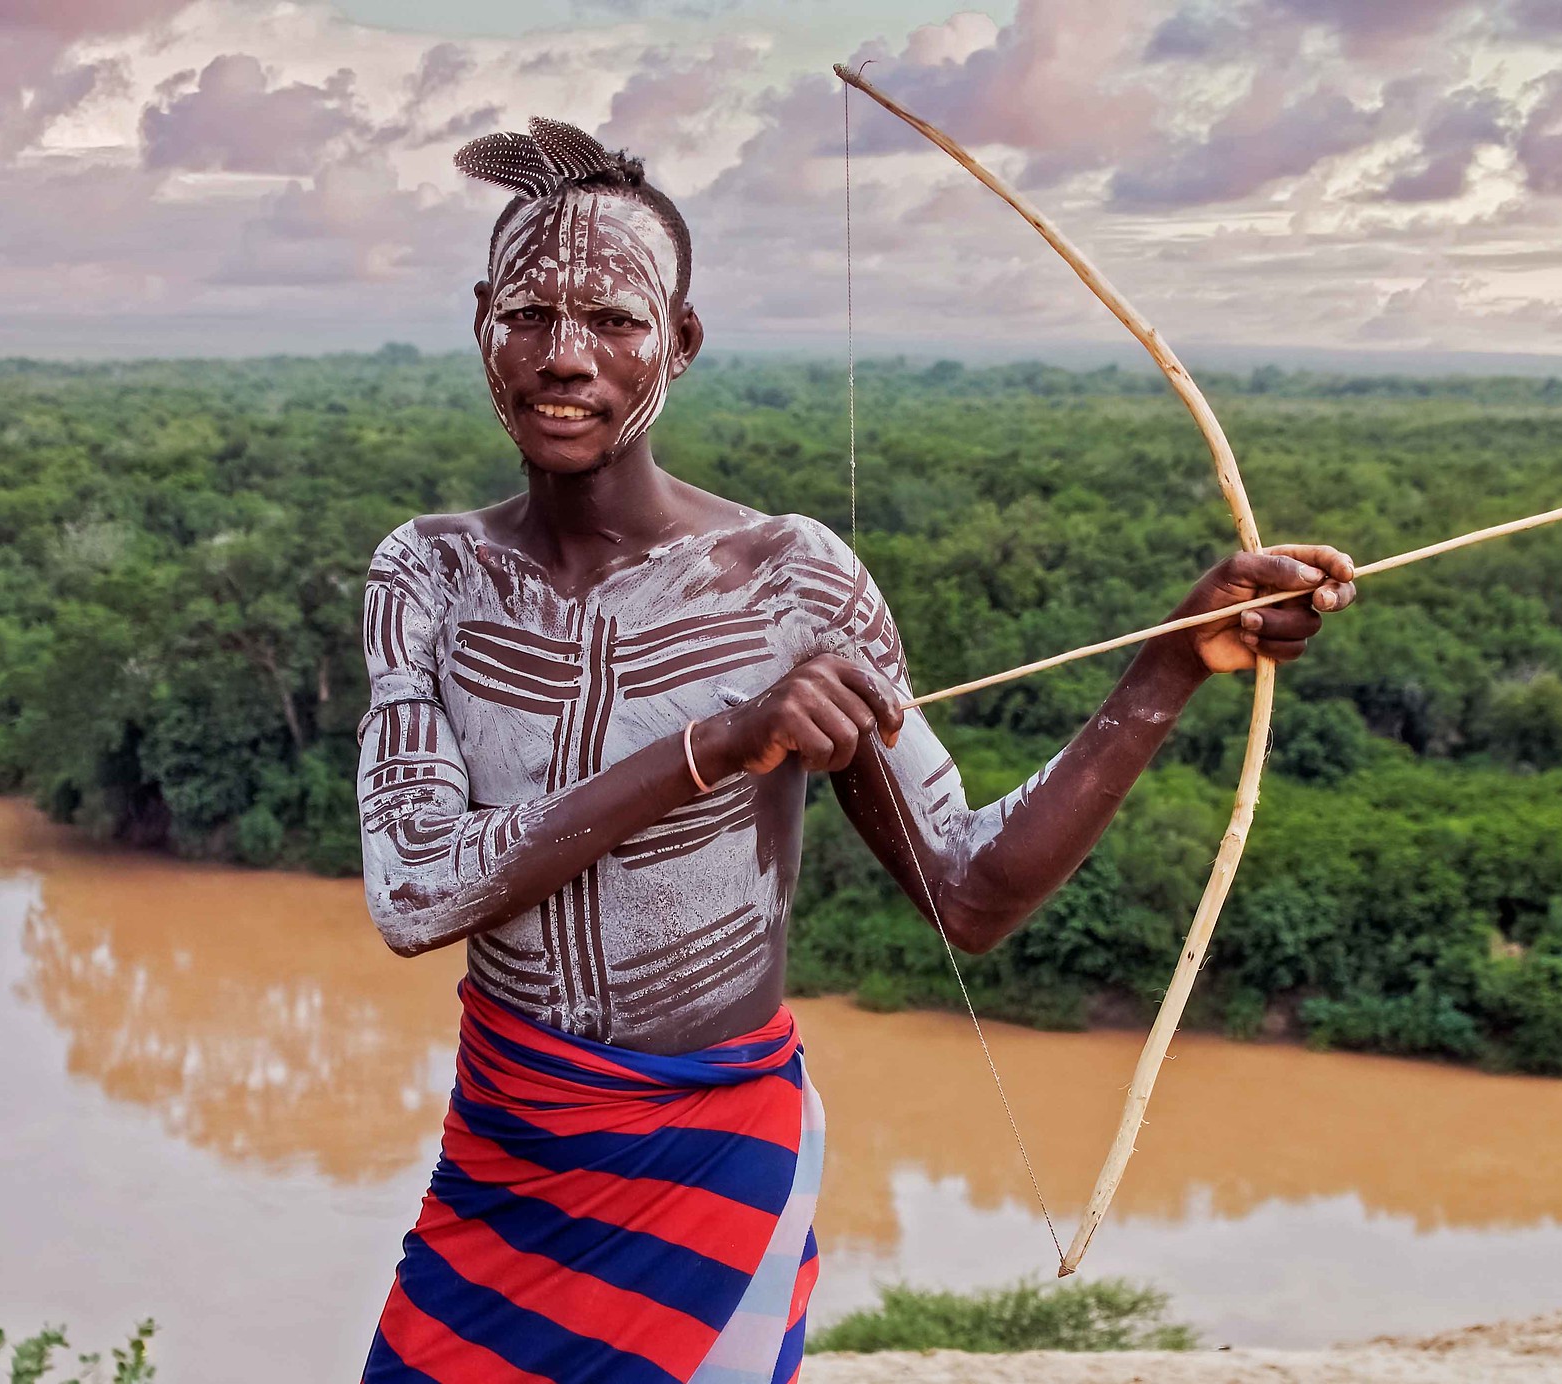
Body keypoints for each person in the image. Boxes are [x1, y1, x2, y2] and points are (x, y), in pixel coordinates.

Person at [356, 116, 1356, 1384]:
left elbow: (969, 892)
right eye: (528, 315)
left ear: (680, 341)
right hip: (505, 1156)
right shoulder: (429, 572)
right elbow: (414, 891)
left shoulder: (791, 581)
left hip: (712, 1162)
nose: (564, 356)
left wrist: (1168, 665)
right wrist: (721, 739)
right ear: (481, 322)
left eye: (613, 319)